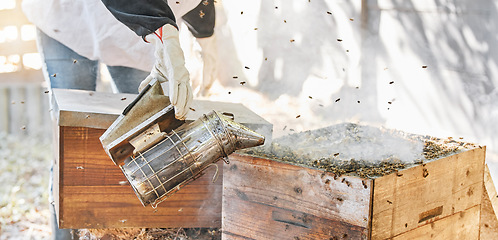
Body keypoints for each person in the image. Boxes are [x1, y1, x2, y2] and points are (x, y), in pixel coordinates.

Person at [21, 0, 216, 239]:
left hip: (137, 30)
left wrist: (206, 35)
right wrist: (163, 29)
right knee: (69, 147)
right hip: (68, 16)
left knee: (143, 140)